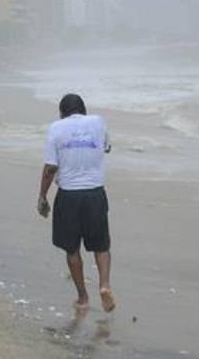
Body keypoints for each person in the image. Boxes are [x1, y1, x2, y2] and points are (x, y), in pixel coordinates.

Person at [38, 93, 115, 312]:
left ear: (62, 113)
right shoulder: (98, 122)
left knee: (72, 249)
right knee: (101, 245)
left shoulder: (56, 128)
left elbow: (50, 168)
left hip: (69, 196)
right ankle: (105, 285)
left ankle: (83, 297)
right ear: (84, 110)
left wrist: (42, 196)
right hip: (95, 193)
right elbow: (107, 148)